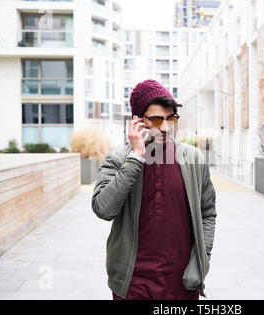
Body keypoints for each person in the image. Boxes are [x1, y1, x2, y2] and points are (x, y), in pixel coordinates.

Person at [91, 79, 217, 300]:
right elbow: (103, 209)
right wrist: (135, 157)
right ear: (138, 121)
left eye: (171, 118)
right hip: (132, 283)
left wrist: (201, 258)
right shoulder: (119, 160)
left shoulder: (193, 159)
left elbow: (208, 212)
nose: (166, 128)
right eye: (158, 120)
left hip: (182, 283)